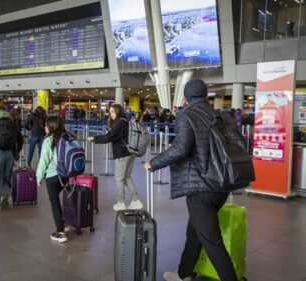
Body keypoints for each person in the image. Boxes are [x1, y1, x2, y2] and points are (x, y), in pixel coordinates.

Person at [144, 79, 238, 281]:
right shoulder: (220, 115)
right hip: (222, 184)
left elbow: (181, 148)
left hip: (200, 187)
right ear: (205, 96)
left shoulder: (186, 115)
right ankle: (183, 273)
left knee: (212, 242)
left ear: (185, 98)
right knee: (195, 232)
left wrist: (154, 162)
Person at [88, 104, 143, 211]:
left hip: (122, 154)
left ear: (118, 112)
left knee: (119, 178)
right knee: (126, 177)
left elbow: (109, 136)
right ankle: (136, 200)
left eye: (113, 112)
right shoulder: (125, 121)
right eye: (110, 112)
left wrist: (94, 138)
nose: (111, 114)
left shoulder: (120, 123)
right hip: (130, 152)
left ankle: (121, 202)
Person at [36, 116, 69, 243]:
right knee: (60, 200)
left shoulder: (49, 140)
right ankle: (63, 225)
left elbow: (43, 160)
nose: (44, 127)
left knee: (54, 203)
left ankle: (60, 233)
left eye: (46, 125)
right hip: (66, 175)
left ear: (51, 127)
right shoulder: (67, 137)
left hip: (53, 176)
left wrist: (39, 177)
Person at [0, 105, 24, 207]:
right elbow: (21, 139)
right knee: (6, 177)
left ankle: (5, 193)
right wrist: (17, 151)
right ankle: (0, 196)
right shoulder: (12, 122)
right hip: (10, 153)